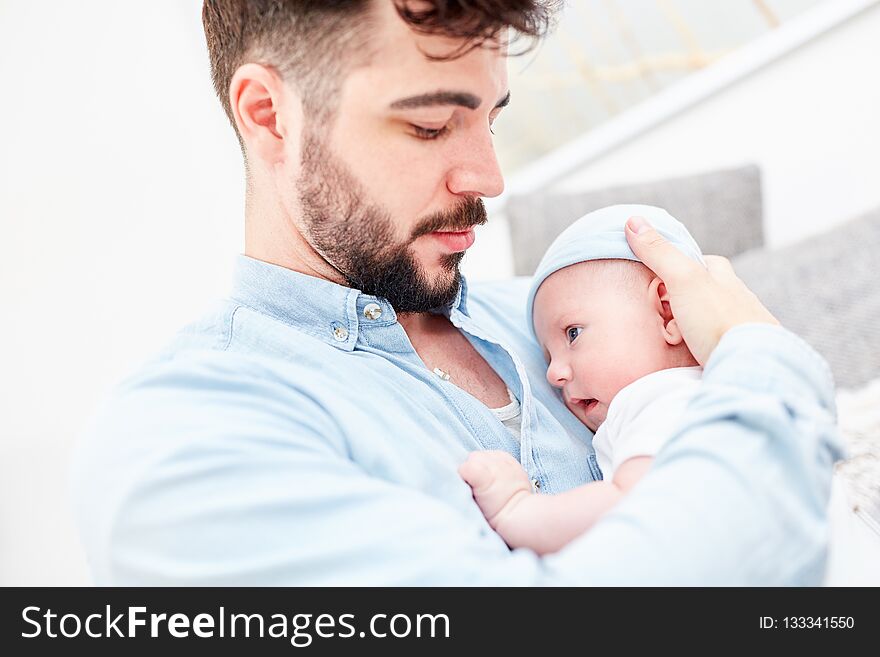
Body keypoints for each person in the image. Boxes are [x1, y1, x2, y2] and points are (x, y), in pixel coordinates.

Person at [71, 0, 842, 585]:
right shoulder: (182, 446)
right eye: (433, 125)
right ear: (269, 114)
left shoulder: (558, 315)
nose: (489, 179)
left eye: (490, 120)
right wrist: (766, 358)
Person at [460, 205, 724, 555]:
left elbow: (637, 506)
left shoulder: (665, 399)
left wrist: (518, 511)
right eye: (548, 357)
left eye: (572, 333)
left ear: (667, 311)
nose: (554, 373)